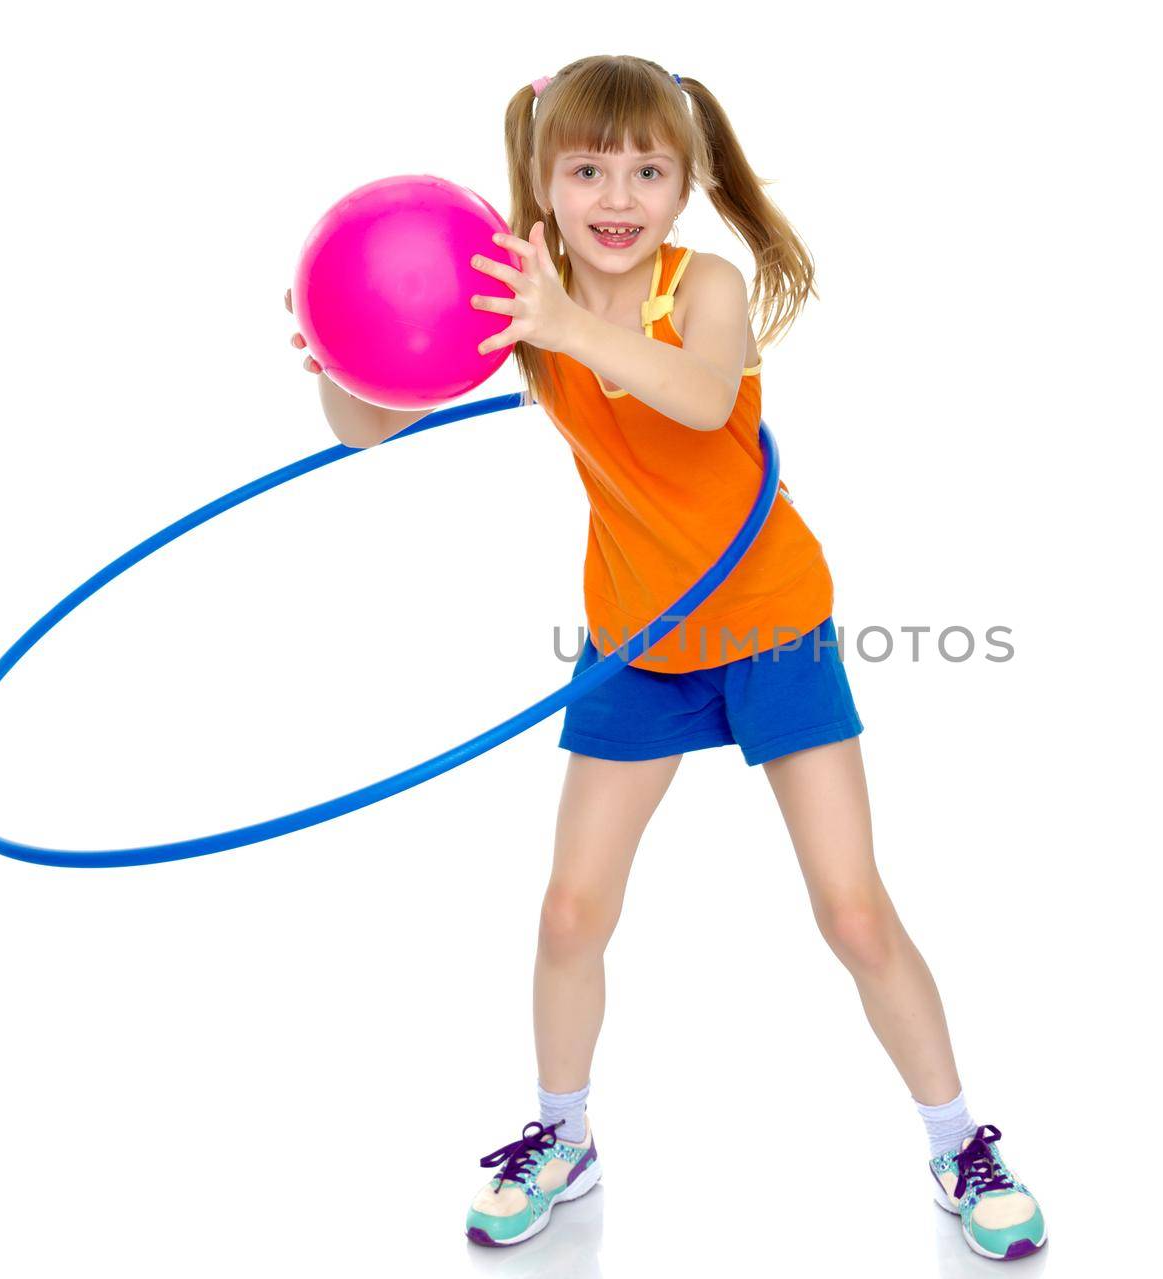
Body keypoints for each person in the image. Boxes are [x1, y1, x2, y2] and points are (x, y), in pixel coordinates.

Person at [292, 53, 1045, 1262]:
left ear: (684, 184)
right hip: (637, 645)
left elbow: (699, 400)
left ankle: (959, 1140)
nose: (617, 193)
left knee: (853, 913)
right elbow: (374, 425)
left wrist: (560, 326)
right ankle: (563, 1134)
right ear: (540, 177)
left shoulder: (703, 288)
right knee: (568, 912)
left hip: (771, 625)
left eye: (648, 168)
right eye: (587, 166)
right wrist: (341, 362)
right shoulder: (525, 299)